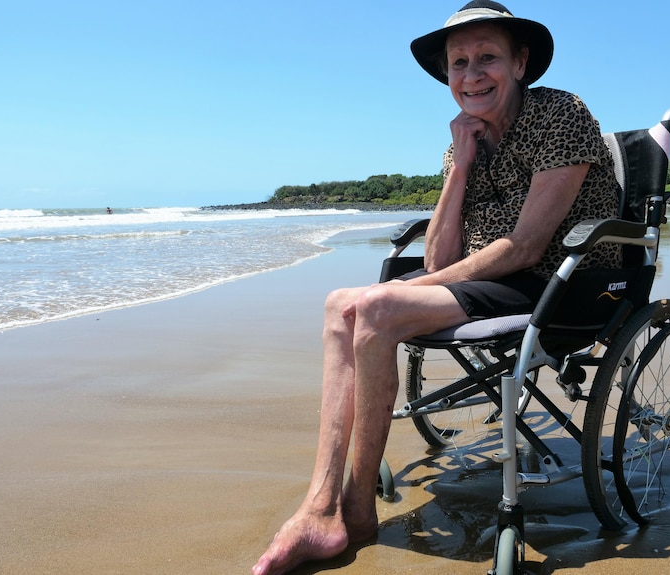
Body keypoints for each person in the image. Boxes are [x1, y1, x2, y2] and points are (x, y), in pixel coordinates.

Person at [252, 2, 621, 574]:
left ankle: (351, 508)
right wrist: (460, 167)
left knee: (374, 306)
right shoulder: (462, 141)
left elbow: (524, 248)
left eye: (487, 58)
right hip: (492, 277)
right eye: (459, 63)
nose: (471, 75)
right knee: (338, 305)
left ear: (520, 62)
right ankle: (320, 504)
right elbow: (440, 256)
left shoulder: (560, 114)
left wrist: (414, 289)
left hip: (563, 281)